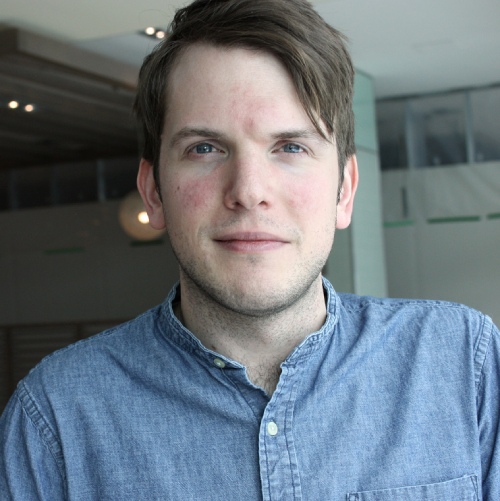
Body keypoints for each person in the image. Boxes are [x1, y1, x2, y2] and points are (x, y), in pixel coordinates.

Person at [1, 0, 499, 498]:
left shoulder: (462, 363)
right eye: (205, 148)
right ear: (153, 192)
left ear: (345, 189)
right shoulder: (56, 419)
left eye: (291, 147)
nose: (249, 190)